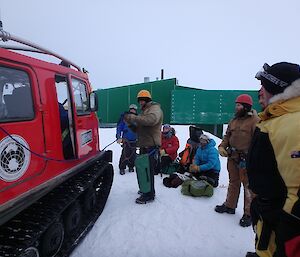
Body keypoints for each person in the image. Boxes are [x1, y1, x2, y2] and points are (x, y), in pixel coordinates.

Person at [246, 62, 300, 257]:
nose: (260, 92)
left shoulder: (294, 124)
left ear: (279, 89)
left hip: (283, 224)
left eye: (264, 86)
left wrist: (289, 238)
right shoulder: (276, 120)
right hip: (269, 215)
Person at [215, 94, 259, 227]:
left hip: (247, 160)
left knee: (248, 187)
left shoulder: (255, 121)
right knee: (233, 182)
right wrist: (222, 146)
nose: (236, 107)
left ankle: (249, 214)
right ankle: (230, 206)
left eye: (239, 105)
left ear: (246, 107)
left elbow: (258, 141)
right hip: (233, 158)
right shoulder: (233, 120)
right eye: (236, 105)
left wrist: (252, 157)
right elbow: (227, 135)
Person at [124, 89, 163, 204]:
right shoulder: (145, 111)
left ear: (147, 100)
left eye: (142, 101)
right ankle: (145, 189)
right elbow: (140, 128)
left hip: (151, 145)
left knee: (147, 171)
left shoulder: (155, 109)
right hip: (144, 145)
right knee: (142, 170)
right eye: (139, 101)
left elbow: (151, 120)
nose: (140, 103)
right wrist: (130, 125)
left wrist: (133, 118)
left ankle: (149, 194)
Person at [116, 104, 138, 175]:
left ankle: (131, 166)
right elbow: (119, 127)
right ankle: (122, 167)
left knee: (133, 154)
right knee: (125, 154)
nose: (133, 110)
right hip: (126, 139)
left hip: (134, 140)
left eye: (134, 109)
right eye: (131, 109)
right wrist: (118, 137)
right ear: (129, 109)